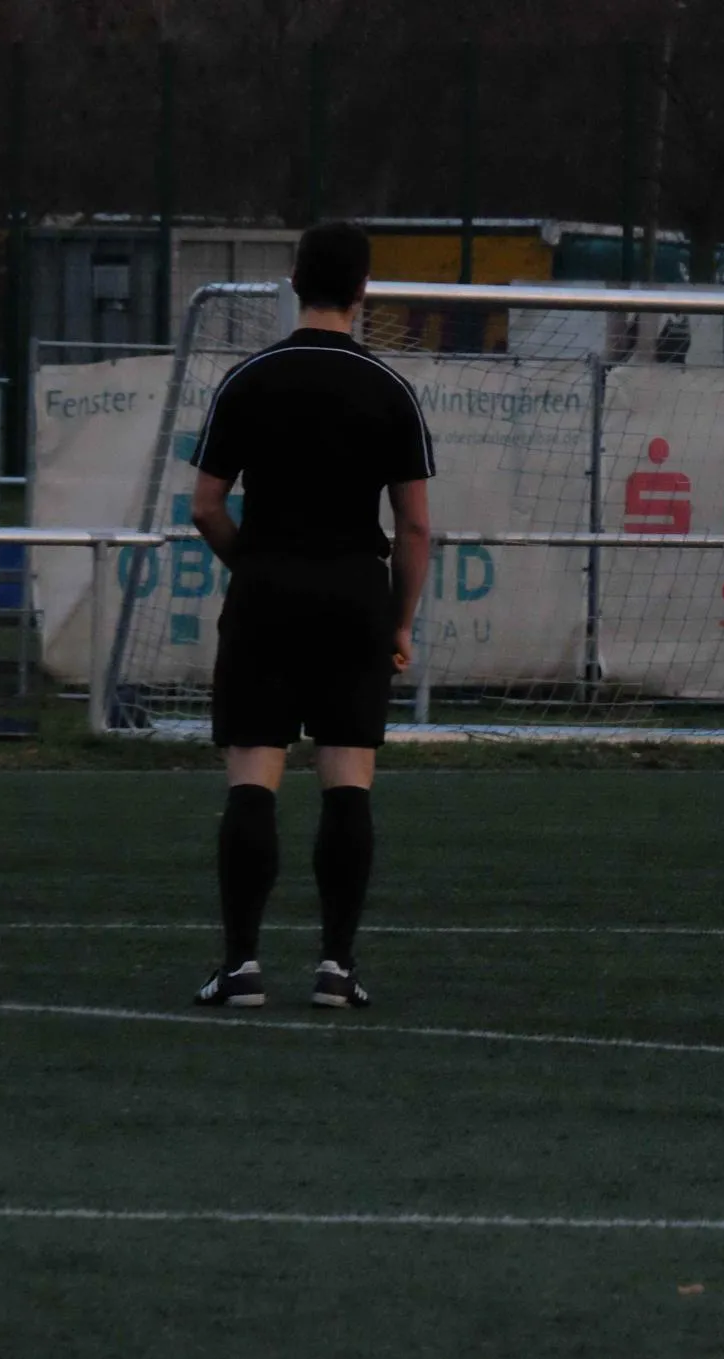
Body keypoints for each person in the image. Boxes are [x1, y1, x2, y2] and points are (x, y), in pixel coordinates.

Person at [188, 221, 435, 1010]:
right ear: (363, 291)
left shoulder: (249, 379)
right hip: (355, 594)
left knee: (253, 775)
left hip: (266, 591)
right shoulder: (389, 389)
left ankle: (241, 966)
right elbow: (416, 527)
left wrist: (255, 566)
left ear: (294, 282)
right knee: (347, 778)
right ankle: (335, 966)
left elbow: (205, 506)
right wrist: (399, 621)